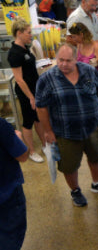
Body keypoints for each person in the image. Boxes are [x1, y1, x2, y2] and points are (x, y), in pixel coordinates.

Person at [35, 44, 98, 207]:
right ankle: (75, 190)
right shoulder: (46, 79)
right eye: (61, 60)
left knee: (96, 156)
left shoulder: (89, 71)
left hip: (92, 126)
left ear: (76, 58)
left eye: (68, 60)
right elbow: (41, 107)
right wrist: (48, 131)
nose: (64, 64)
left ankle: (97, 183)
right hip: (65, 132)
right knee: (69, 164)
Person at [0, 117, 43, 250]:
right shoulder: (1, 126)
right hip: (5, 188)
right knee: (10, 231)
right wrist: (17, 136)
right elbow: (23, 155)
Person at [7, 19, 46, 163]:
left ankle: (45, 145)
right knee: (28, 121)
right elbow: (19, 79)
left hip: (34, 90)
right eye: (28, 33)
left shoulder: (25, 48)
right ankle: (31, 151)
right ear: (19, 33)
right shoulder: (14, 53)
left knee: (38, 118)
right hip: (26, 93)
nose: (31, 35)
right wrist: (30, 97)